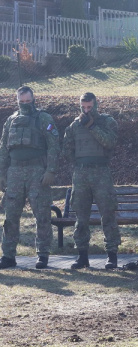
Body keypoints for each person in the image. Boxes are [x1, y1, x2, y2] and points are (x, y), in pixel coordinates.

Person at [0, 86, 60, 269]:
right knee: (11, 216)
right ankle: (8, 255)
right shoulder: (11, 121)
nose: (25, 104)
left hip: (36, 171)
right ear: (17, 101)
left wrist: (50, 170)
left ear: (34, 99)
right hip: (15, 172)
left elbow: (54, 145)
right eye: (21, 101)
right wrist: (2, 173)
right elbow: (4, 149)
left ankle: (43, 254)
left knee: (42, 214)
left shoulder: (44, 119)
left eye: (28, 101)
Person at [63, 92, 121, 270]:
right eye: (83, 107)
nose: (86, 110)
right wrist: (81, 164)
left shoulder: (106, 122)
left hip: (101, 173)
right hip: (81, 174)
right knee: (81, 218)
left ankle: (112, 256)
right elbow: (67, 150)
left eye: (89, 107)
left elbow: (110, 142)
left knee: (108, 215)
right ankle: (82, 257)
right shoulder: (74, 126)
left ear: (96, 105)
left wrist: (92, 126)